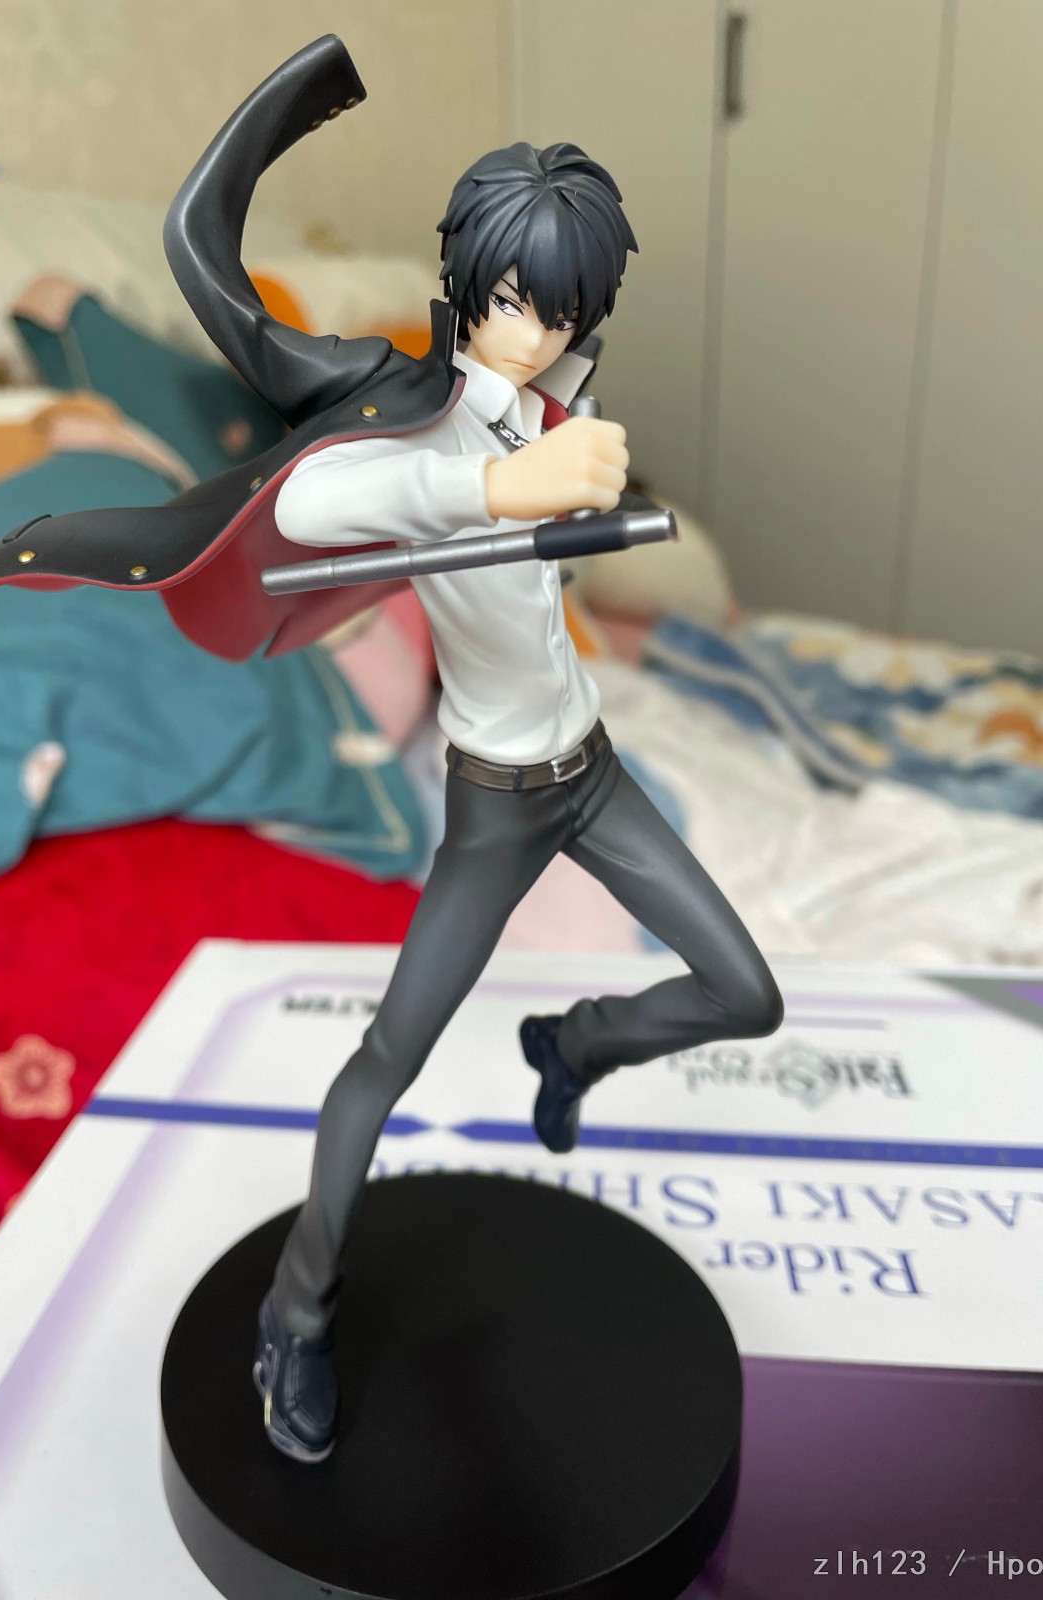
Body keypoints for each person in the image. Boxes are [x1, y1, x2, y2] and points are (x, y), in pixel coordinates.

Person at [254, 139, 784, 1464]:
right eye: (512, 302)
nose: (536, 334)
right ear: (465, 284)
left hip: (591, 773)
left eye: (563, 311)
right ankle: (294, 1315)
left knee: (746, 992)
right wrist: (494, 487)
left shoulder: (551, 405)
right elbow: (314, 499)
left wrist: (557, 463)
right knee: (385, 1061)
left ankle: (578, 1046)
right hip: (493, 805)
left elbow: (560, 459)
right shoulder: (416, 421)